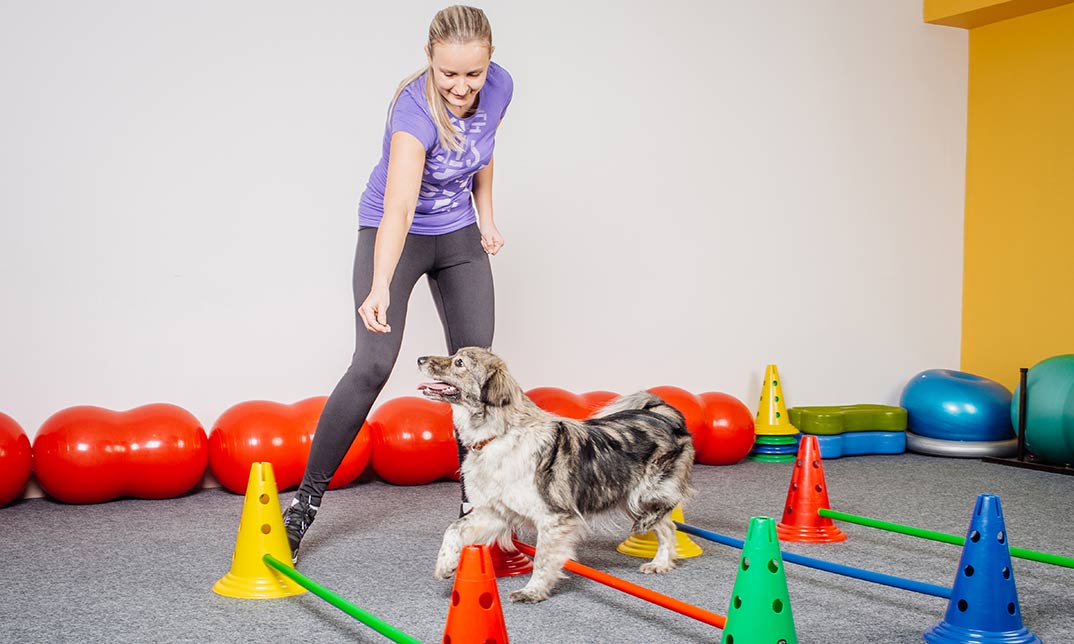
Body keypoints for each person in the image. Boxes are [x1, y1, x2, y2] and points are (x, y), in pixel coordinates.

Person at [283, 5, 512, 563]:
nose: (461, 87)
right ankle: (303, 505)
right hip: (399, 233)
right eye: (448, 74)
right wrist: (381, 283)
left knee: (476, 369)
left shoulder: (501, 87)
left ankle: (473, 512)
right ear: (429, 60)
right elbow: (400, 204)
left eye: (472, 74)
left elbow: (481, 152)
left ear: (489, 64)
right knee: (373, 363)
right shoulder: (412, 113)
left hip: (457, 236)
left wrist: (486, 217)